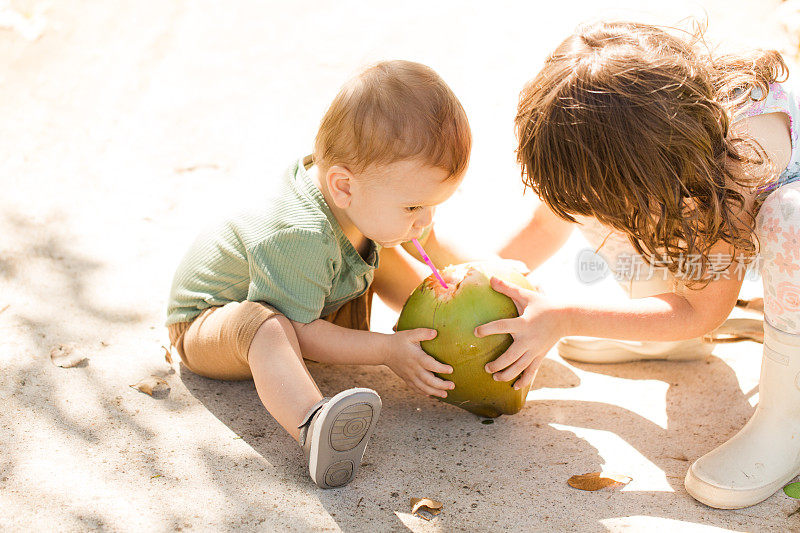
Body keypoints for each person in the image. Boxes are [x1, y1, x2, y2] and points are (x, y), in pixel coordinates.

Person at [483, 21, 800, 509]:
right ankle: (668, 334)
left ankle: (787, 419)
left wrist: (565, 317)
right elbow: (549, 223)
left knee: (790, 220)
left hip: (782, 246)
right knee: (601, 198)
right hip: (704, 218)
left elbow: (702, 309)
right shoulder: (641, 136)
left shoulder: (735, 169)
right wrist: (489, 271)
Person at [165, 60, 472, 489]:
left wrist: (458, 308)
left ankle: (430, 330)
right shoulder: (300, 235)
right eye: (413, 207)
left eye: (432, 205)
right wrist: (387, 350)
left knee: (375, 250)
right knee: (267, 327)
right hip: (208, 325)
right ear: (343, 186)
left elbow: (402, 261)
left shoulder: (357, 196)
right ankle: (312, 424)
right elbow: (301, 331)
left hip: (292, 303)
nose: (425, 222)